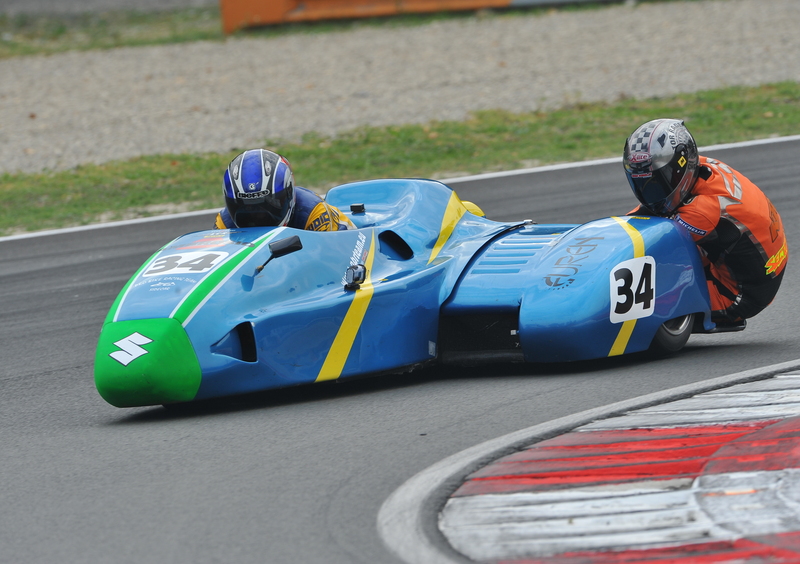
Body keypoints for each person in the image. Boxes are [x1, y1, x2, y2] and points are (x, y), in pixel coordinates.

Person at [623, 118, 788, 326]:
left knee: (644, 300)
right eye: (640, 183)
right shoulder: (699, 165)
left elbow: (650, 244)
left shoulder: (702, 210)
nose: (648, 193)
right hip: (762, 260)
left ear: (680, 169)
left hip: (742, 292)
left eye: (657, 182)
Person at [215, 149, 354, 231]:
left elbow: (333, 262)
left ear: (288, 194)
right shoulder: (224, 223)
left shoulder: (314, 214)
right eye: (247, 209)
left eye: (268, 205)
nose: (257, 217)